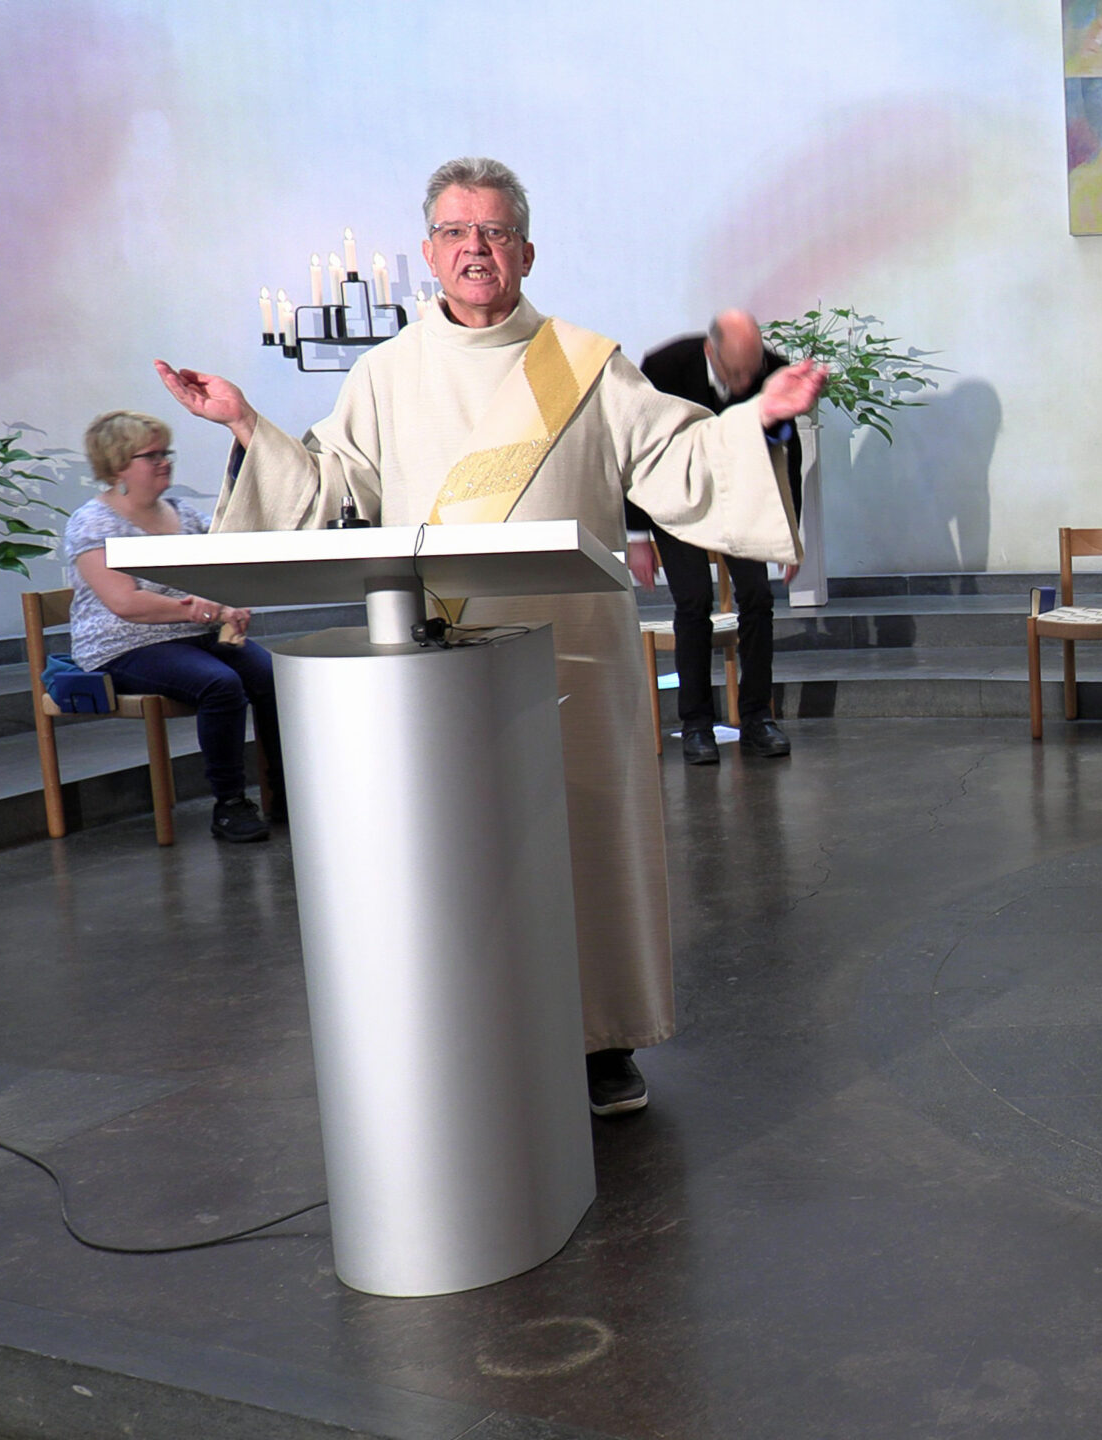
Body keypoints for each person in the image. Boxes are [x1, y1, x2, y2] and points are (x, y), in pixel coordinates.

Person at [152, 157, 826, 1116]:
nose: (477, 249)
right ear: (430, 252)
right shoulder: (386, 375)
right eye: (458, 233)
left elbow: (675, 455)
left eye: (496, 232)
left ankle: (601, 1042)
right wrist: (249, 425)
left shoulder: (584, 363)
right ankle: (474, 1036)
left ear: (526, 250)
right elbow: (331, 485)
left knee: (584, 841)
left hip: (576, 652)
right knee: (469, 854)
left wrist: (760, 414)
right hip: (444, 661)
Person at [63, 411, 283, 843]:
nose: (165, 461)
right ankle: (230, 804)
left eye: (166, 452)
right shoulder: (92, 523)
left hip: (191, 635)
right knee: (219, 684)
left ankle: (285, 792)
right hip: (122, 644)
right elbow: (124, 603)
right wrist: (203, 610)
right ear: (117, 464)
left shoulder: (184, 513)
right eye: (152, 455)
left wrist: (233, 602)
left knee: (275, 677)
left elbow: (222, 571)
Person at [628, 310, 804, 765]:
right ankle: (696, 724)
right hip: (677, 497)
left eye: (753, 369)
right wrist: (636, 536)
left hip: (739, 497)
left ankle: (757, 717)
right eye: (736, 371)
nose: (747, 380)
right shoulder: (664, 368)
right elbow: (634, 449)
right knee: (692, 601)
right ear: (711, 352)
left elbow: (788, 451)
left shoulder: (771, 370)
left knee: (757, 596)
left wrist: (789, 532)